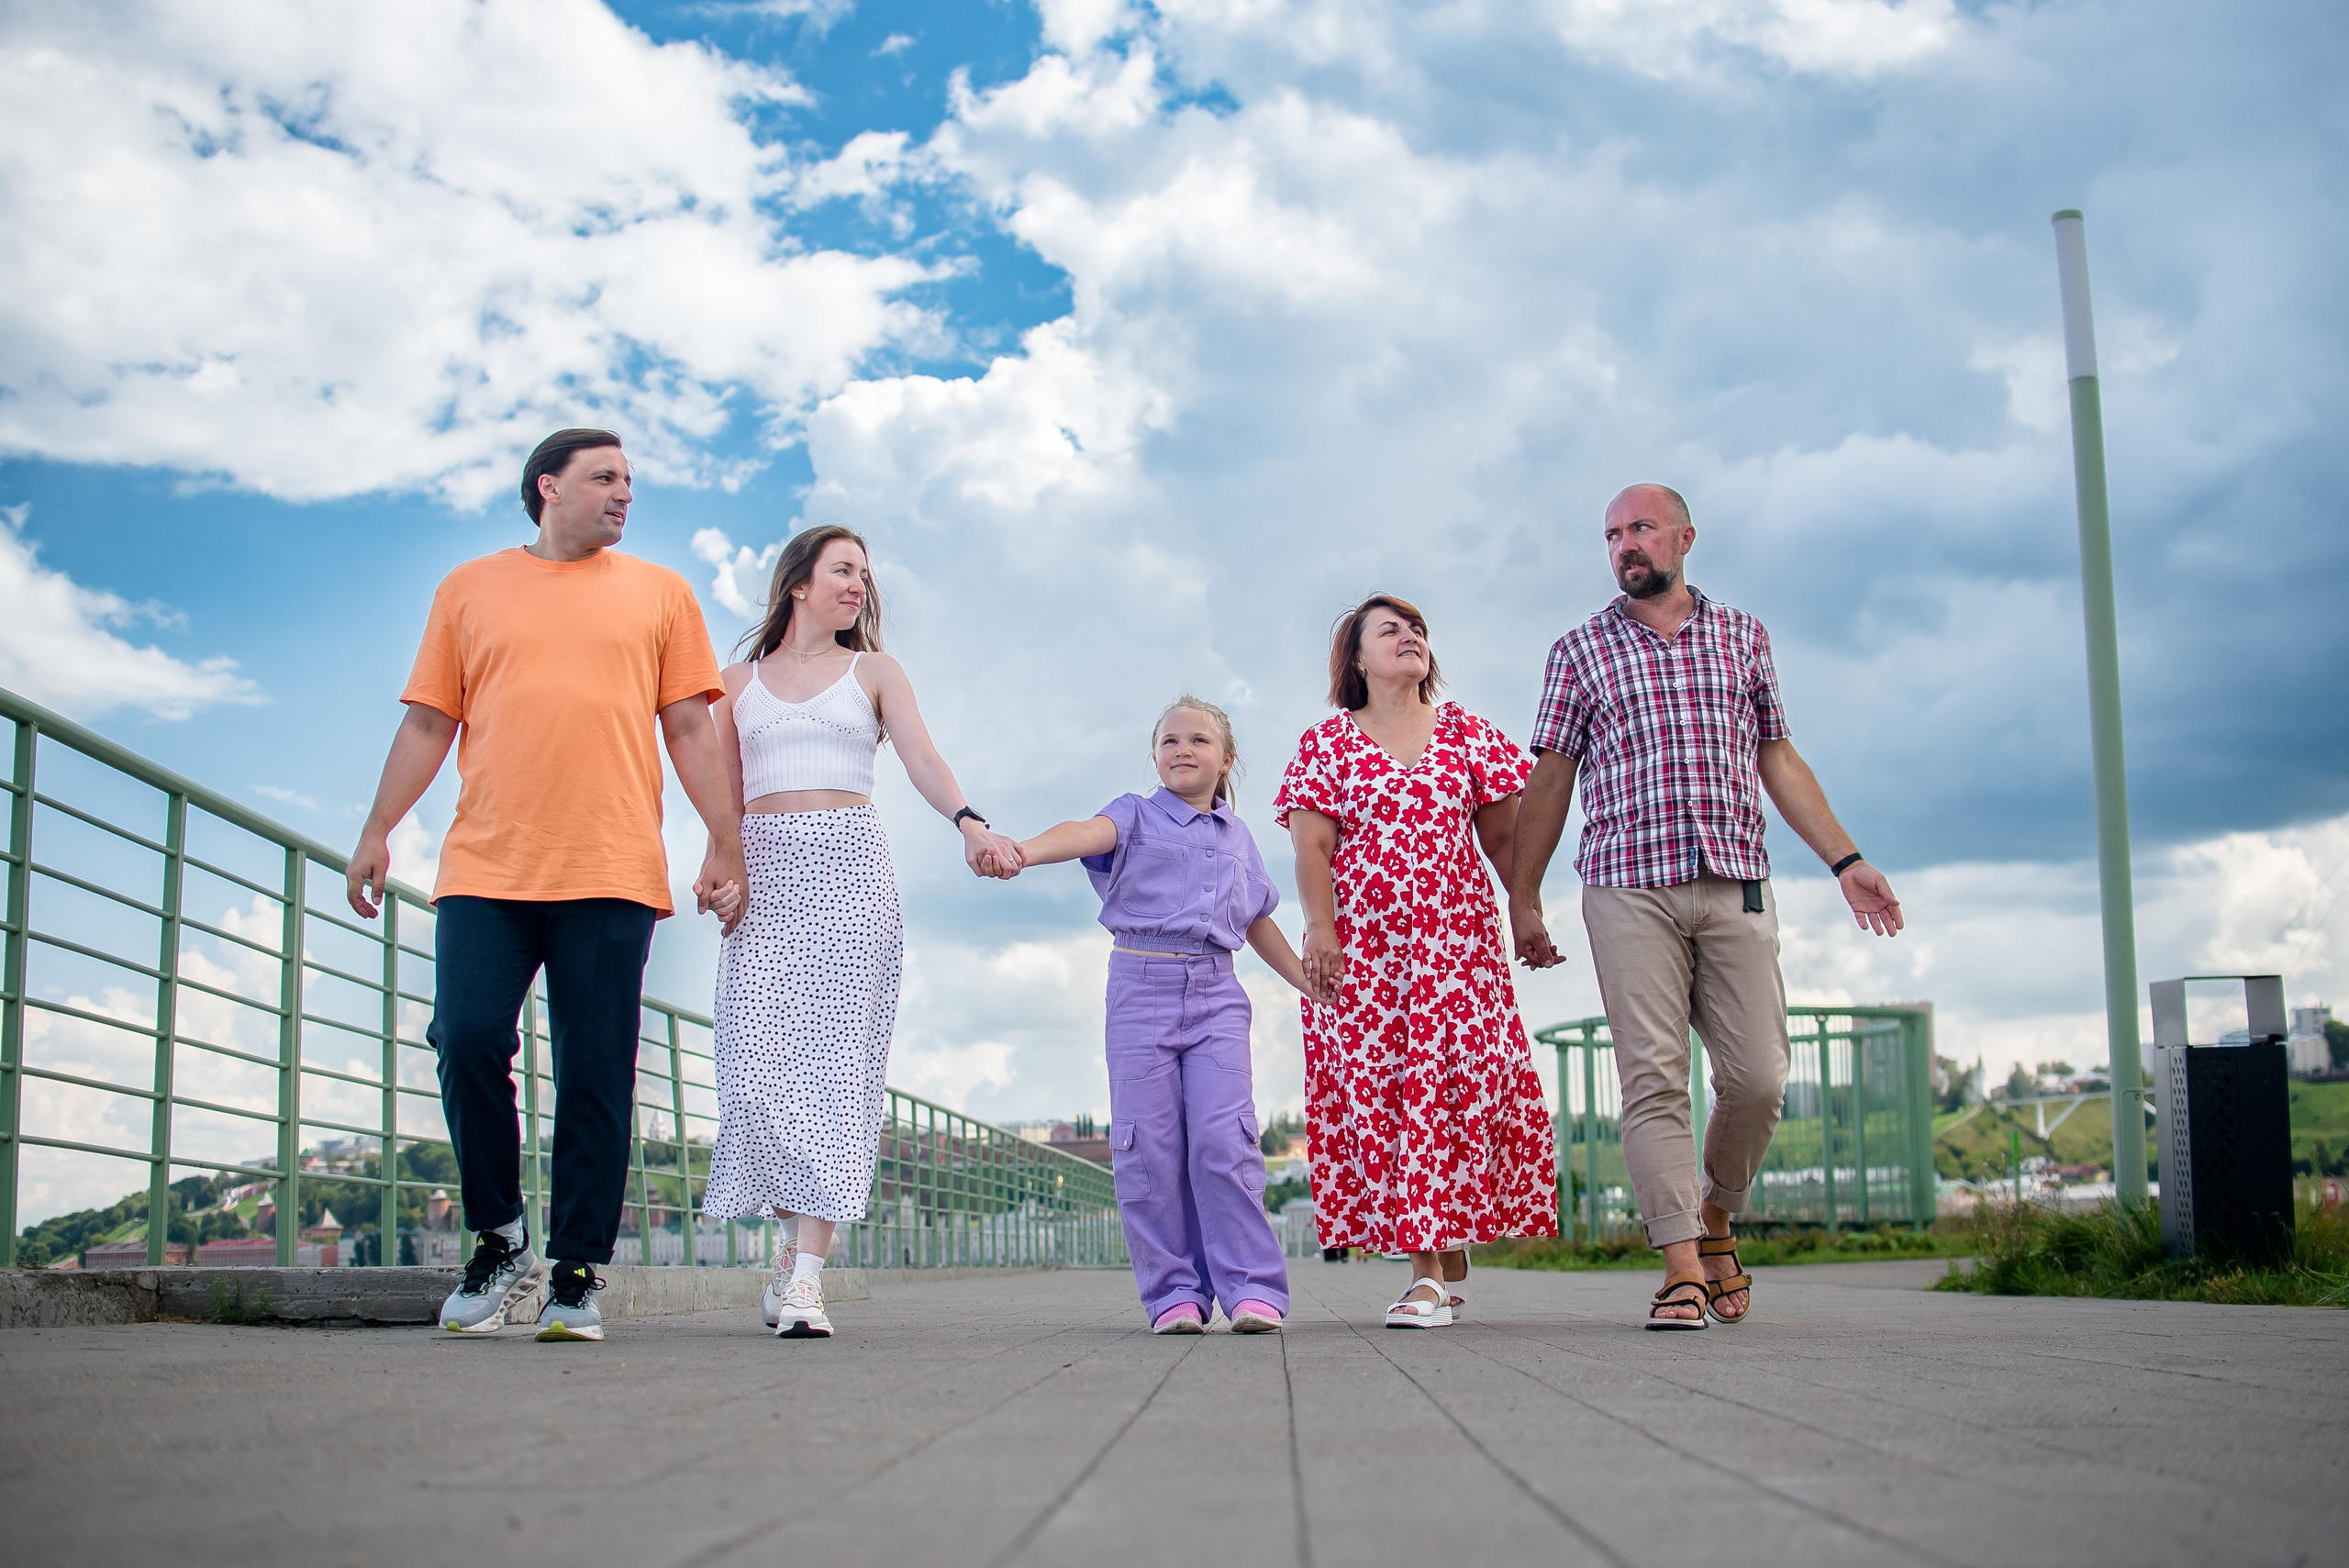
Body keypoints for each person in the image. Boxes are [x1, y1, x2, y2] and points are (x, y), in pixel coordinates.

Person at [347, 428, 745, 1344]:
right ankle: (498, 1235)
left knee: (597, 1067)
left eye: (631, 480)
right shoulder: (468, 588)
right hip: (487, 864)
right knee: (467, 1034)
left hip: (608, 865)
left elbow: (688, 728)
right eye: (605, 477)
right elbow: (426, 724)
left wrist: (726, 839)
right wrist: (376, 830)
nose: (624, 493)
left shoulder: (660, 592)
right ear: (547, 488)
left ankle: (576, 1269)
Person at [1508, 484, 1904, 1329]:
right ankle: (1681, 1264)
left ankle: (1717, 1218)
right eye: (1612, 534)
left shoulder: (1743, 636)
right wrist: (1525, 897)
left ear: (1685, 537)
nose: (1626, 546)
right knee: (1655, 1077)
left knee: (1759, 1078)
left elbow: (1779, 758)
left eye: (1641, 528)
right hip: (1626, 883)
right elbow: (1550, 780)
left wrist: (1847, 858)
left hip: (1736, 878)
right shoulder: (1578, 651)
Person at [699, 523, 1024, 1339]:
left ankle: (807, 1275)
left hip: (850, 871)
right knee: (756, 1073)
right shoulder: (736, 682)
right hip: (766, 874)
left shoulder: (875, 671)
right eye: (844, 570)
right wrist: (719, 866)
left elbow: (920, 756)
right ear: (799, 582)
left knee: (840, 1074)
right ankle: (789, 1250)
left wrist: (969, 821)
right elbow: (723, 793)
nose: (859, 586)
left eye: (865, 576)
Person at [1274, 595, 1560, 1329]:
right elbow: (1312, 848)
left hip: (1458, 952)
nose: (1410, 639)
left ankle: (1440, 1238)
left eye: (1418, 630)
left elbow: (1503, 839)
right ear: (1357, 659)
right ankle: (1427, 1273)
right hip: (1364, 956)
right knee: (1392, 1097)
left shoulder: (1466, 732)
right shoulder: (1327, 743)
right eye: (1390, 631)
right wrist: (1321, 930)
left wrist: (1525, 911)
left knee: (1464, 1086)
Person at [982, 696, 1307, 1334]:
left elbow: (1258, 919)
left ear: (1227, 759)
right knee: (1148, 1148)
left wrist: (1306, 981)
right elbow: (1081, 832)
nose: (1183, 749)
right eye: (1169, 741)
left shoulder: (1239, 837)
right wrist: (1020, 849)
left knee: (1224, 1139)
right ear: (1154, 756)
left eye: (1199, 740)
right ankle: (1174, 1294)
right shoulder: (1133, 814)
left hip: (1216, 991)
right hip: (1140, 984)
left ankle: (1251, 1289)